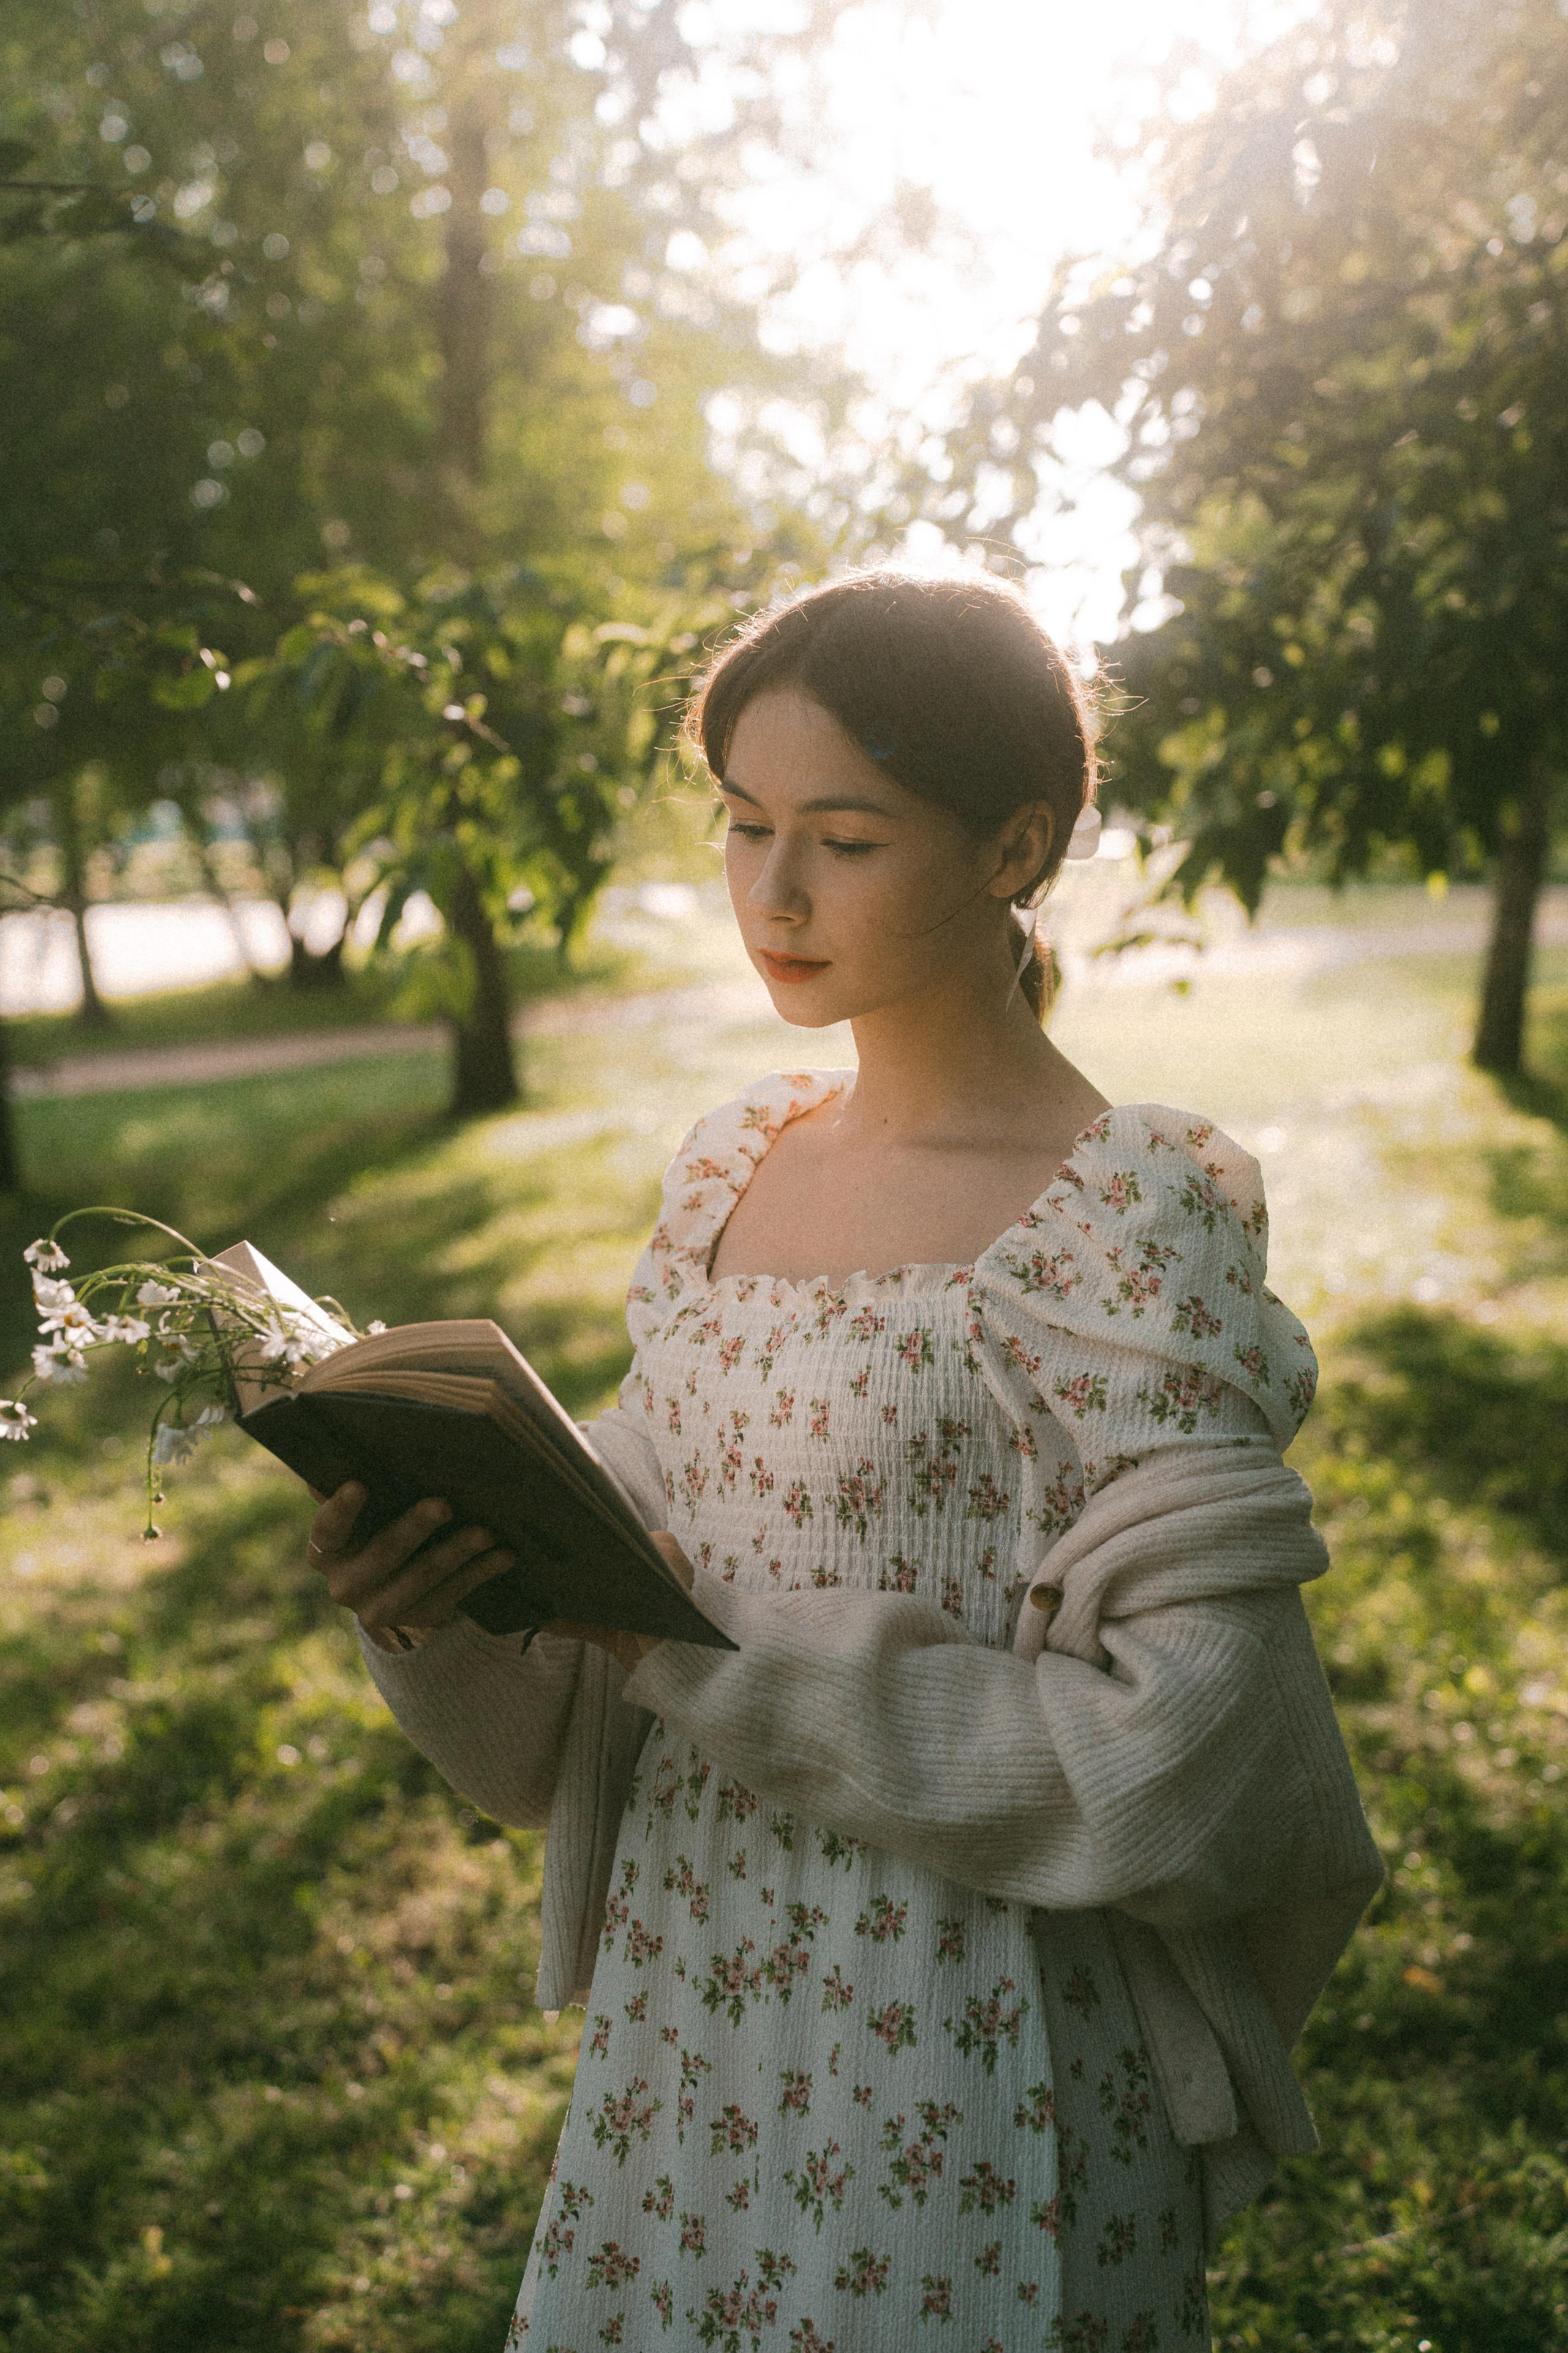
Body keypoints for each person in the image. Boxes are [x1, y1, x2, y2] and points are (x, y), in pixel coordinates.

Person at [306, 572, 1382, 2352]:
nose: (773, 894)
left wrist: (719, 1656)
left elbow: (1189, 1741)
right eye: (742, 826)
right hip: (695, 2014)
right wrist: (443, 1602)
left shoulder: (1125, 1218)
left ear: (1011, 841)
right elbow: (615, 1622)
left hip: (978, 2038)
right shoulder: (731, 1168)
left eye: (845, 837)